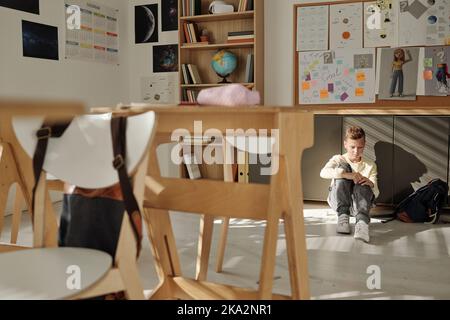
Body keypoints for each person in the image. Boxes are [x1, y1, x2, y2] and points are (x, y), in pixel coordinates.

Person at [320, 126, 379, 243]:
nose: (356, 151)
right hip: (339, 203)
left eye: (360, 147)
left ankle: (362, 223)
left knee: (363, 180)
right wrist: (346, 174)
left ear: (365, 144)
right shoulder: (338, 159)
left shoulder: (370, 164)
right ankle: (343, 217)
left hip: (360, 205)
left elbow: (376, 192)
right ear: (345, 144)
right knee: (343, 166)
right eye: (352, 147)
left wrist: (370, 184)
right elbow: (323, 173)